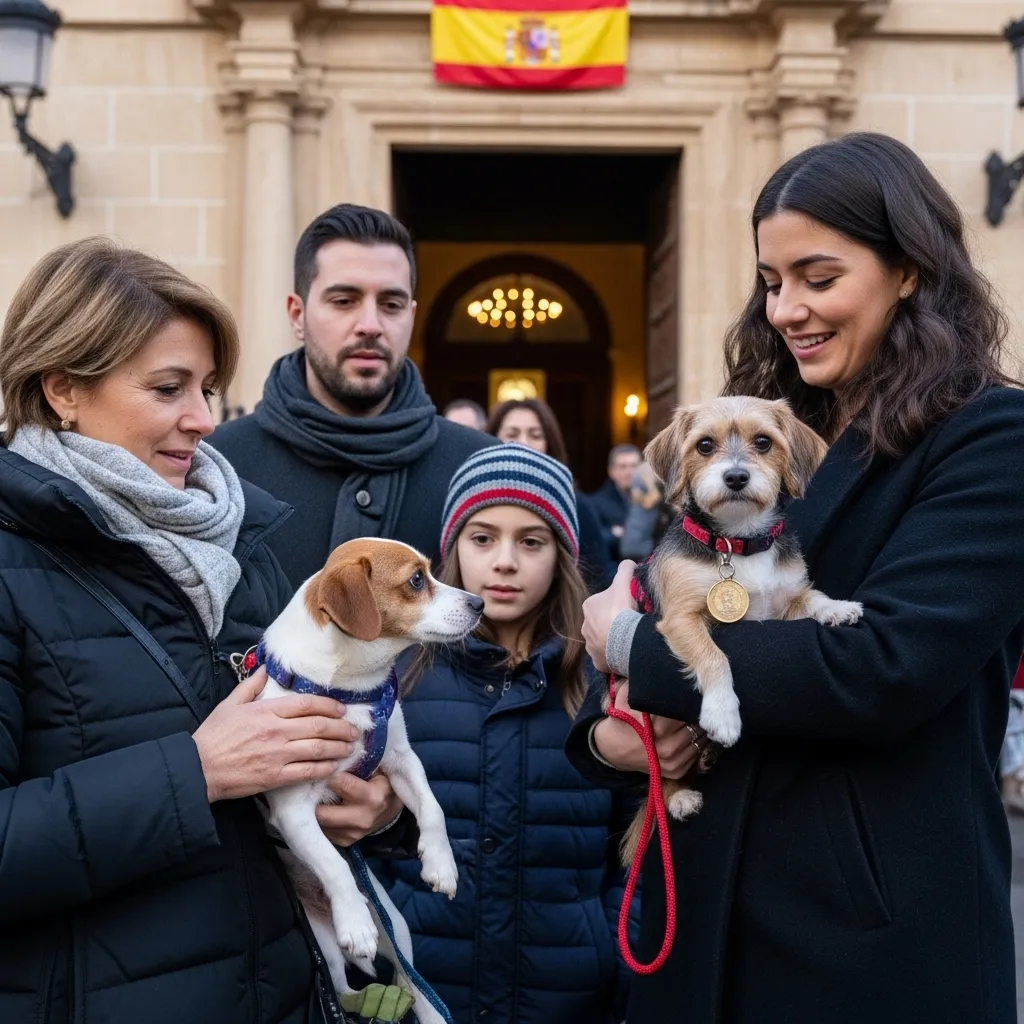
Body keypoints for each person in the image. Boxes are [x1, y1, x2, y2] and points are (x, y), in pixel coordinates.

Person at [568, 132, 1024, 1023]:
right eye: (773, 283)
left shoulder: (993, 437)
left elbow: (885, 667)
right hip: (704, 905)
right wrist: (604, 739)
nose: (786, 309)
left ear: (909, 271)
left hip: (861, 938)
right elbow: (687, 586)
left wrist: (632, 646)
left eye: (819, 278)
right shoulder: (773, 426)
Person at [0, 237, 374, 1023]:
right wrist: (194, 772)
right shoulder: (11, 560)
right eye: (169, 387)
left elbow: (298, 759)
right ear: (63, 387)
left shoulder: (245, 542)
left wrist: (367, 805)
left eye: (208, 387)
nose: (204, 419)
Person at [375, 444, 637, 1024]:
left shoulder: (604, 684)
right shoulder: (400, 680)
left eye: (531, 541)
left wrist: (619, 956)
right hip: (426, 988)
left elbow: (638, 843)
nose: (505, 563)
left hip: (568, 995)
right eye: (483, 538)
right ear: (451, 551)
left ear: (561, 555)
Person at [210, 204, 492, 590]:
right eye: (344, 301)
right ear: (297, 314)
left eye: (391, 305)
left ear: (411, 315)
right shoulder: (218, 469)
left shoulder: (480, 471)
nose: (370, 326)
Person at [484, 398, 611, 590]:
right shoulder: (473, 503)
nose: (523, 443)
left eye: (535, 435)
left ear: (549, 444)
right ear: (493, 439)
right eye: (512, 434)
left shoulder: (576, 506)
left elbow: (598, 576)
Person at [588, 444, 640, 564]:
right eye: (623, 467)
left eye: (634, 466)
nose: (630, 472)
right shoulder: (596, 502)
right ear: (611, 471)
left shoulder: (656, 500)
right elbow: (595, 539)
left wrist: (622, 532)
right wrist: (614, 535)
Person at [618, 459, 671, 562]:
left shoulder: (644, 474)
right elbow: (648, 502)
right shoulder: (646, 476)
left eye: (633, 466)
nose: (629, 472)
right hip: (639, 546)